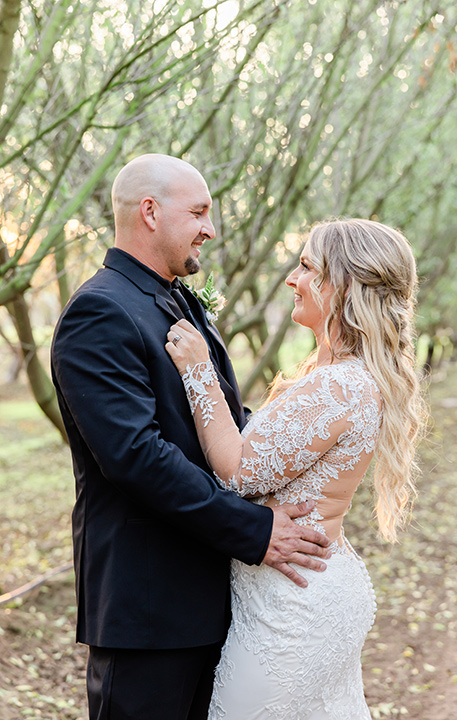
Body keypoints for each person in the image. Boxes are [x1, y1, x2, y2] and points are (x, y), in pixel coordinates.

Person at [50, 153, 332, 720]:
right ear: (150, 213)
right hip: (149, 609)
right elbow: (137, 458)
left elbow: (221, 414)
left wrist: (296, 445)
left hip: (210, 594)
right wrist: (255, 531)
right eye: (199, 212)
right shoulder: (100, 313)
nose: (210, 228)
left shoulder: (174, 299)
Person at [166, 218, 425, 719]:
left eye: (306, 266)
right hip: (307, 586)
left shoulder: (338, 387)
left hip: (293, 606)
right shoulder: (340, 375)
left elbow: (238, 472)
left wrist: (199, 371)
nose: (292, 278)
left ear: (343, 284)